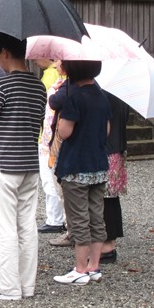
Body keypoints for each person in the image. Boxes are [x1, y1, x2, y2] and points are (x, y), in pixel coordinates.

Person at [0, 31, 46, 301]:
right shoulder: (38, 86)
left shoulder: (2, 86)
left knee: (3, 227)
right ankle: (26, 286)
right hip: (29, 163)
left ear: (4, 52)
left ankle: (8, 286)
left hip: (3, 164)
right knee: (26, 226)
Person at [52, 60, 112, 286]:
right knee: (97, 217)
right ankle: (94, 266)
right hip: (98, 165)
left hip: (76, 165)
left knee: (78, 219)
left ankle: (80, 269)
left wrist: (60, 122)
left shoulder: (74, 97)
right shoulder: (102, 96)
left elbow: (65, 132)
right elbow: (106, 130)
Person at [37, 60, 67, 233]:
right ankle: (57, 218)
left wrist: (51, 92)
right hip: (50, 135)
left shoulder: (53, 76)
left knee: (50, 179)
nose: (56, 64)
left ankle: (55, 219)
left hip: (51, 137)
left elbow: (49, 103)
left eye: (59, 61)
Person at [102, 91, 130, 264]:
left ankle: (107, 245)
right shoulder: (122, 94)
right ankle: (109, 242)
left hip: (107, 149)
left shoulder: (104, 95)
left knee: (104, 199)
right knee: (111, 198)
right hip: (117, 147)